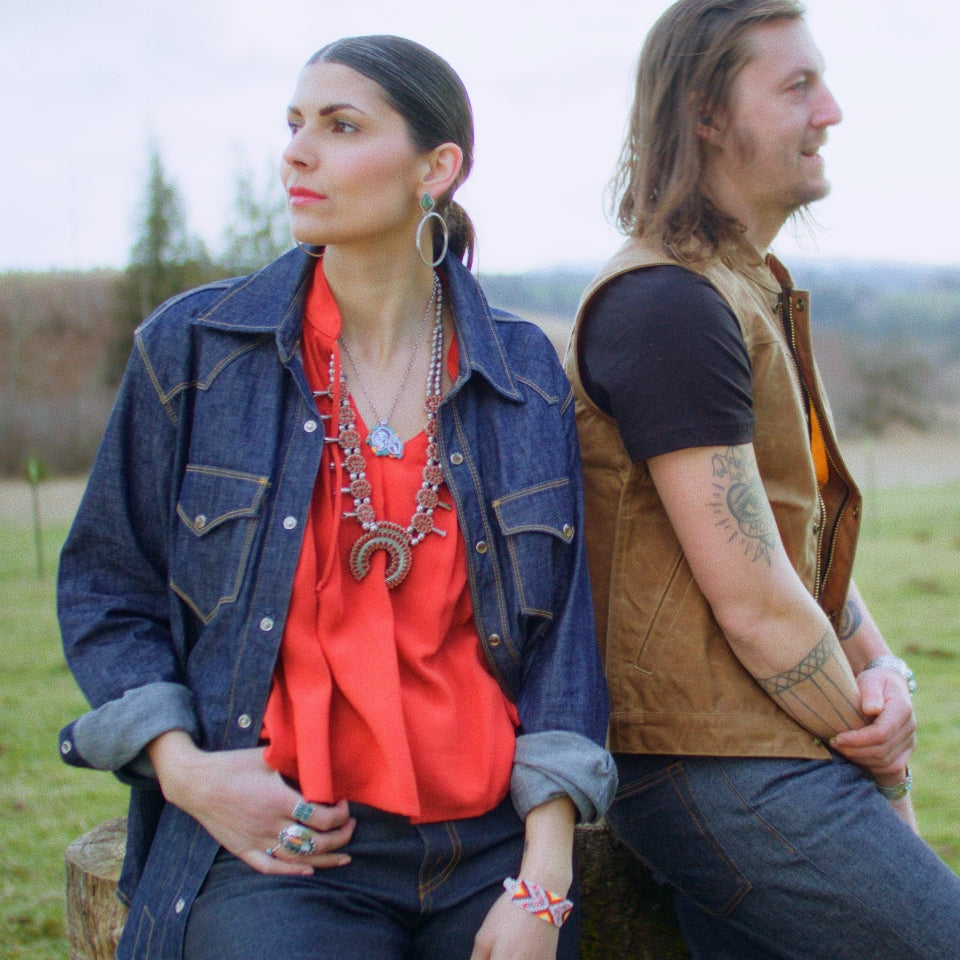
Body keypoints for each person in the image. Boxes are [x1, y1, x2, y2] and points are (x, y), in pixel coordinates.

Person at [58, 35, 616, 960]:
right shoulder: (195, 352)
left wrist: (545, 878)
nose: (296, 153)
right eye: (294, 124)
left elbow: (565, 637)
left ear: (436, 169)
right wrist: (189, 775)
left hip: (488, 845)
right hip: (281, 849)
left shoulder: (521, 371)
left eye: (341, 126)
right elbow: (106, 589)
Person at [564, 2, 960, 958]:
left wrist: (886, 670)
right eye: (797, 86)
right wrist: (877, 749)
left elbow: (796, 539)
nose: (831, 110)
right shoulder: (667, 305)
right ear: (705, 113)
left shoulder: (743, 283)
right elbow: (754, 597)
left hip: (758, 745)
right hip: (713, 761)